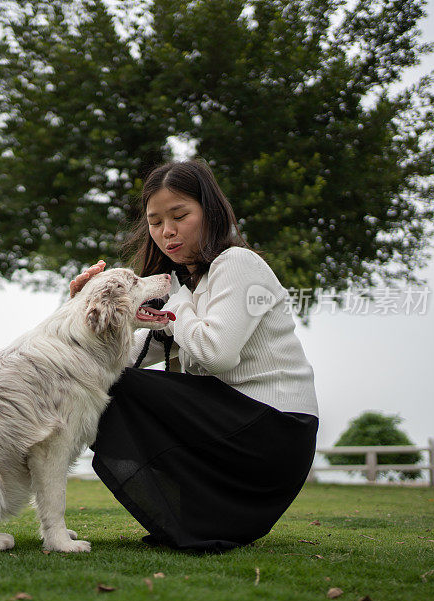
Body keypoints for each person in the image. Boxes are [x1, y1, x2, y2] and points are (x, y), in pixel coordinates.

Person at [70, 160, 319, 553]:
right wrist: (86, 309)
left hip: (273, 431)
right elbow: (117, 360)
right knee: (98, 383)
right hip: (238, 427)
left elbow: (216, 354)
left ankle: (196, 517)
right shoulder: (190, 284)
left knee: (114, 389)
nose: (166, 231)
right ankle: (198, 522)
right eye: (155, 222)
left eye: (180, 215)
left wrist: (176, 304)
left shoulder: (237, 264)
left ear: (210, 212)